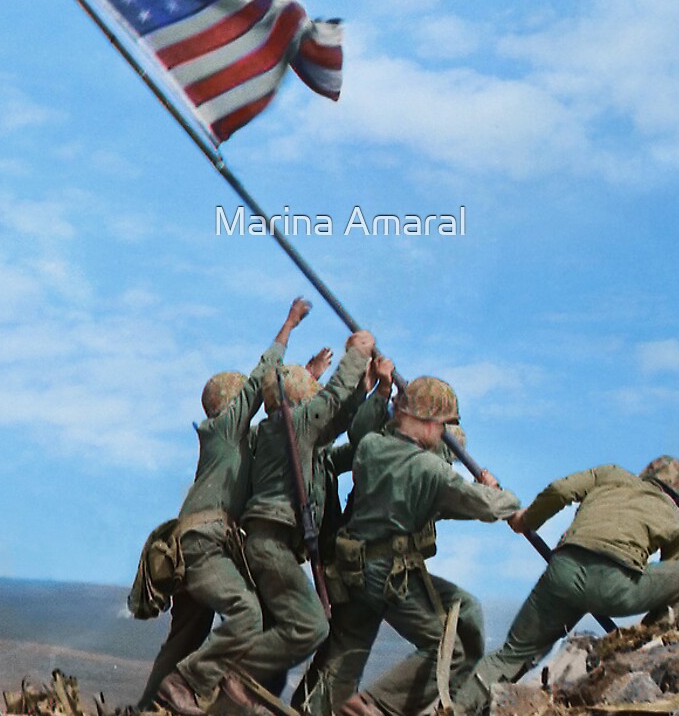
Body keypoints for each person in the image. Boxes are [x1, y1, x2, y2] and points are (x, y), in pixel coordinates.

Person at [302, 376, 520, 716]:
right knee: (450, 649)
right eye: (444, 426)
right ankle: (376, 705)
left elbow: (421, 498)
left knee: (346, 654)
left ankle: (311, 710)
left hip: (352, 569)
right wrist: (496, 492)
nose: (443, 435)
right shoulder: (430, 469)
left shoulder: (371, 448)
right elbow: (487, 506)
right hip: (393, 574)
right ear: (430, 423)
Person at [137, 298, 312, 716]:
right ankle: (186, 685)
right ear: (230, 405)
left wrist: (307, 378)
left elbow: (280, 410)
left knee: (185, 637)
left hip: (199, 547)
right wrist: (288, 326)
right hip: (204, 545)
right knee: (247, 613)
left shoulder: (234, 444)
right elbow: (260, 381)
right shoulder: (224, 431)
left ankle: (148, 708)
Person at [453, 455, 679, 716]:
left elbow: (560, 490)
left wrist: (524, 521)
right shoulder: (677, 522)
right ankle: (645, 643)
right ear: (678, 499)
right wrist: (651, 631)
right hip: (615, 587)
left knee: (511, 655)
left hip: (563, 573)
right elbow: (673, 580)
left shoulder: (611, 475)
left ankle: (452, 709)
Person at [214, 328, 376, 698]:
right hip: (270, 546)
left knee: (277, 656)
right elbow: (331, 404)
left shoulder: (279, 433)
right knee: (311, 627)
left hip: (271, 547)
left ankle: (241, 687)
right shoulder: (292, 426)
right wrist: (356, 354)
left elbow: (336, 424)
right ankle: (232, 669)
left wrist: (369, 392)